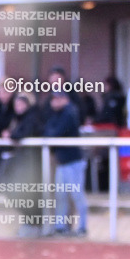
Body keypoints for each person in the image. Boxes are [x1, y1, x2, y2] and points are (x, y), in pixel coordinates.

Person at [43, 90, 88, 236]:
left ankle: (82, 227)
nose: (54, 102)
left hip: (73, 162)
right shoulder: (56, 114)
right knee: (60, 195)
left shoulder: (70, 113)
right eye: (53, 99)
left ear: (65, 99)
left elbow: (57, 133)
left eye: (57, 99)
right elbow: (47, 130)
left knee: (76, 195)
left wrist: (50, 133)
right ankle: (60, 226)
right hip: (62, 162)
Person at [1, 93, 44, 237]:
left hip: (30, 163)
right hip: (21, 161)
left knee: (28, 192)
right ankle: (30, 222)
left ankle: (34, 224)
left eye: (21, 104)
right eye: (17, 104)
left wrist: (11, 135)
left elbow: (24, 133)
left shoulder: (32, 117)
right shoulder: (17, 119)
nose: (18, 107)